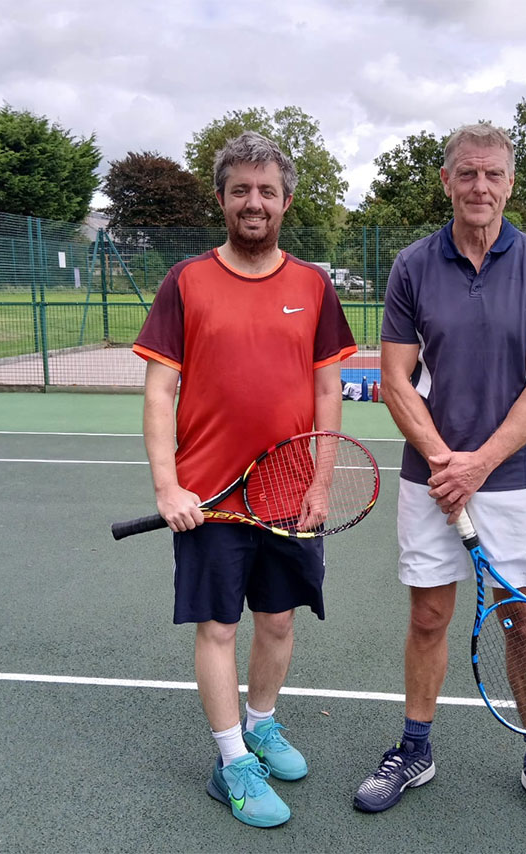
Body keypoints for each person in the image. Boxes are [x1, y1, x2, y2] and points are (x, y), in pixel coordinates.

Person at [352, 123, 526, 832]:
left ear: (510, 183)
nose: (480, 186)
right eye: (467, 173)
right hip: (431, 481)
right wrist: (445, 462)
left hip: (514, 479)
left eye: (493, 174)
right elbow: (394, 379)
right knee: (428, 617)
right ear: (446, 181)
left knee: (521, 622)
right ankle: (415, 749)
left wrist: (478, 464)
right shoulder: (412, 267)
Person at [132, 131, 356, 829]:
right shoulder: (186, 282)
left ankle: (261, 724)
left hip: (290, 493)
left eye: (266, 191)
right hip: (208, 499)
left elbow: (327, 395)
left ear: (285, 201)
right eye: (240, 191)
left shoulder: (313, 286)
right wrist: (168, 488)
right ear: (222, 200)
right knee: (218, 628)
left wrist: (322, 483)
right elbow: (158, 392)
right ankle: (230, 761)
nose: (253, 203)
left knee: (280, 621)